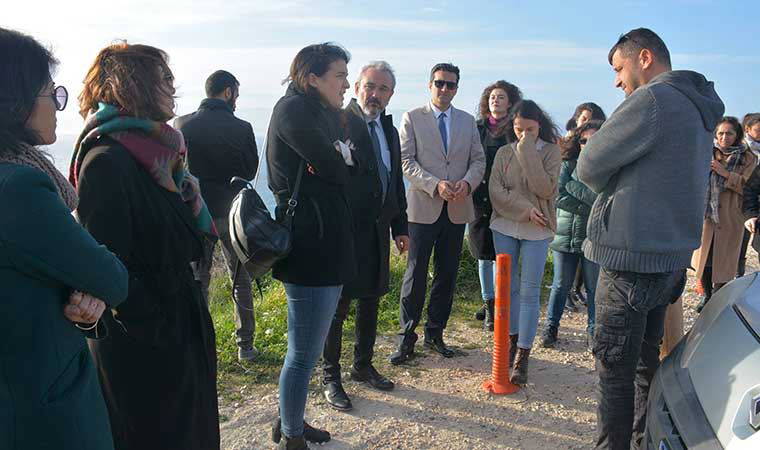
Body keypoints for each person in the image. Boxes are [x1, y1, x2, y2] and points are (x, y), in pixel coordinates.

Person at [576, 28, 724, 449]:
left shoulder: (653, 99)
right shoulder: (698, 105)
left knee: (614, 370)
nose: (616, 81)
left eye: (618, 68)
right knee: (644, 364)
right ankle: (643, 440)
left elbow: (588, 164)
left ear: (644, 58)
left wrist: (612, 183)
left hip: (630, 258)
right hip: (670, 259)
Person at [70, 42, 220, 450]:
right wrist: (156, 324)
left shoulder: (162, 155)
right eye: (163, 78)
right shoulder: (106, 161)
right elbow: (105, 268)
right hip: (145, 346)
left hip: (178, 324)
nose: (173, 86)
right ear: (131, 84)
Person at [0, 27, 128, 450]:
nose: (59, 106)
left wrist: (82, 304)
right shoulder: (19, 188)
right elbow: (111, 277)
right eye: (50, 92)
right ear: (14, 100)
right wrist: (91, 289)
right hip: (38, 409)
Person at [266, 43, 356, 450]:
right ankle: (291, 436)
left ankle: (290, 419)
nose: (346, 84)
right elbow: (338, 167)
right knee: (303, 353)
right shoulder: (293, 111)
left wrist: (339, 157)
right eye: (340, 75)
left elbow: (346, 162)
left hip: (324, 241)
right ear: (312, 78)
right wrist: (338, 157)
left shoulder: (318, 112)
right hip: (310, 247)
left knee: (307, 348)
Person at [321, 61, 409, 411]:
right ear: (356, 87)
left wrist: (400, 226)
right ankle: (330, 376)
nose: (375, 94)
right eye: (370, 86)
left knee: (371, 298)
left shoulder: (388, 129)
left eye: (383, 89)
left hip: (377, 229)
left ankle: (362, 365)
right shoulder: (338, 122)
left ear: (391, 95)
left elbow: (394, 181)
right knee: (338, 307)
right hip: (345, 231)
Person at [390, 62, 485, 364]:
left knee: (447, 274)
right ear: (429, 85)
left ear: (456, 88)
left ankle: (436, 333)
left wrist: (467, 184)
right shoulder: (412, 117)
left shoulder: (467, 121)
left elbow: (478, 161)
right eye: (440, 83)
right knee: (415, 274)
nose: (444, 89)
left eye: (450, 84)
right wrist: (435, 184)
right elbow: (405, 161)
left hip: (457, 208)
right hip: (422, 208)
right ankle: (406, 337)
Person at [175, 70, 260, 362]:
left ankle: (198, 343)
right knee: (240, 278)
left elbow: (176, 169)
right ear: (227, 92)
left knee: (199, 278)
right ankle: (245, 345)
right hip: (232, 213)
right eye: (236, 93)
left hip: (196, 212)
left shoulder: (182, 124)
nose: (237, 99)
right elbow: (249, 171)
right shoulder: (243, 127)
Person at [488, 99, 561, 384]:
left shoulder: (551, 152)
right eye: (519, 130)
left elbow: (545, 188)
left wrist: (528, 149)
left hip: (537, 231)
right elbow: (496, 191)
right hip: (505, 225)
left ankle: (523, 354)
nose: (523, 135)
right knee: (507, 289)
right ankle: (510, 340)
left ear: (539, 126)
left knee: (530, 292)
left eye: (529, 130)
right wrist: (526, 209)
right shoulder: (503, 152)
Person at [539, 120, 603, 350]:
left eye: (593, 140)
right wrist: (590, 203)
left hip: (593, 238)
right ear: (577, 142)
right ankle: (551, 328)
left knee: (594, 288)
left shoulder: (606, 168)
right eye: (583, 140)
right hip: (564, 235)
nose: (587, 144)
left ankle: (593, 332)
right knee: (560, 285)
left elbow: (601, 200)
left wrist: (574, 188)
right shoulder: (565, 165)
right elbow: (559, 196)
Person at [469, 80, 523, 330]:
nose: (495, 100)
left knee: (503, 254)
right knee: (483, 254)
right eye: (492, 96)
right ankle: (489, 304)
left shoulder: (515, 129)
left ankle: (502, 301)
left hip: (505, 200)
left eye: (501, 97)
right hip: (478, 199)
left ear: (510, 102)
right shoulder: (476, 128)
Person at [692, 116, 755, 312]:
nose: (724, 137)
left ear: (737, 135)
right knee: (705, 258)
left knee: (725, 259)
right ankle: (707, 295)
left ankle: (719, 297)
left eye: (729, 133)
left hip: (731, 214)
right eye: (720, 133)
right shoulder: (707, 151)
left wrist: (726, 173)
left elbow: (750, 187)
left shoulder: (748, 157)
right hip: (706, 214)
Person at [563, 102, 607, 310]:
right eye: (583, 119)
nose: (586, 123)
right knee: (566, 266)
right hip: (569, 220)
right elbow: (560, 191)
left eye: (591, 119)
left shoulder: (606, 158)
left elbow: (602, 195)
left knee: (588, 266)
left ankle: (577, 290)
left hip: (593, 224)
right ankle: (568, 294)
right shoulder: (568, 152)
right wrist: (588, 205)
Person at [737, 113, 760, 276]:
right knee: (734, 243)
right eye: (758, 130)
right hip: (734, 201)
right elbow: (750, 188)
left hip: (750, 204)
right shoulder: (738, 149)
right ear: (747, 129)